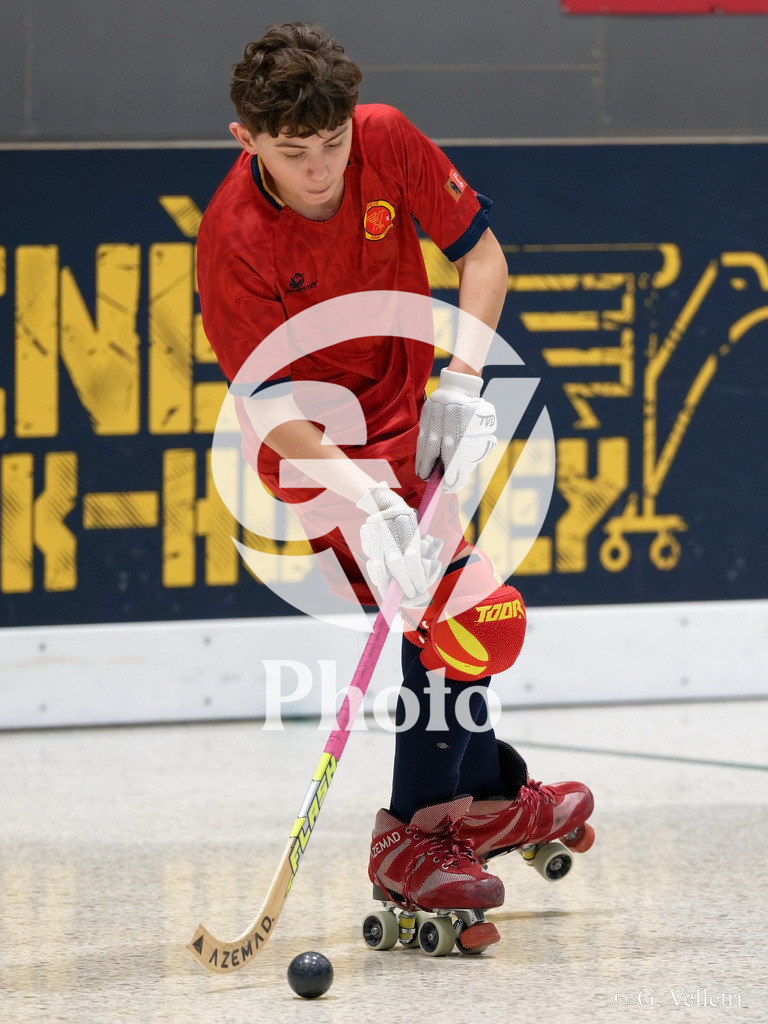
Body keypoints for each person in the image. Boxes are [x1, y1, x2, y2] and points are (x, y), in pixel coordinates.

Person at [197, 22, 593, 948]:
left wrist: (462, 379)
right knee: (456, 613)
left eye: (332, 142)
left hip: (417, 420)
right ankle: (413, 836)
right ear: (245, 138)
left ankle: (484, 793)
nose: (322, 168)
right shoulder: (232, 239)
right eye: (294, 152)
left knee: (462, 612)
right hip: (317, 459)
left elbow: (482, 257)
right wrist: (364, 494)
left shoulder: (385, 137)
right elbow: (267, 407)